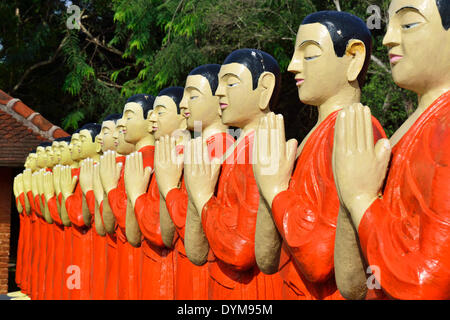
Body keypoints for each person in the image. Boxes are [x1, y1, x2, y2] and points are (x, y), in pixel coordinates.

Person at [252, 11, 387, 300]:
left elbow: (319, 257)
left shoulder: (352, 132)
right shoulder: (315, 136)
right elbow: (268, 259)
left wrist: (275, 191)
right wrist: (268, 191)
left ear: (353, 58)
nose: (292, 66)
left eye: (309, 55)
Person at [332, 0, 450, 300]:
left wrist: (360, 200)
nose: (387, 38)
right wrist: (352, 201)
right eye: (389, 24)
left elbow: (425, 283)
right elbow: (353, 284)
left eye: (408, 24)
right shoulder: (414, 126)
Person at [184, 48, 284, 299]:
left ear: (265, 89)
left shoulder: (257, 148)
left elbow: (241, 249)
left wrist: (203, 199)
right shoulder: (239, 147)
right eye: (219, 84)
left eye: (230, 82)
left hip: (247, 290)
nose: (220, 92)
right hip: (224, 282)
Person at [154, 64, 235, 299]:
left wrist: (168, 188)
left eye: (192, 95)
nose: (183, 104)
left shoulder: (220, 147)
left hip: (209, 267)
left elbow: (191, 218)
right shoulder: (201, 147)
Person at [125, 87, 186, 299]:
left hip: (170, 268)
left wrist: (134, 197)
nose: (153, 118)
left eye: (159, 112)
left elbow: (160, 229)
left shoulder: (179, 159)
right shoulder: (160, 157)